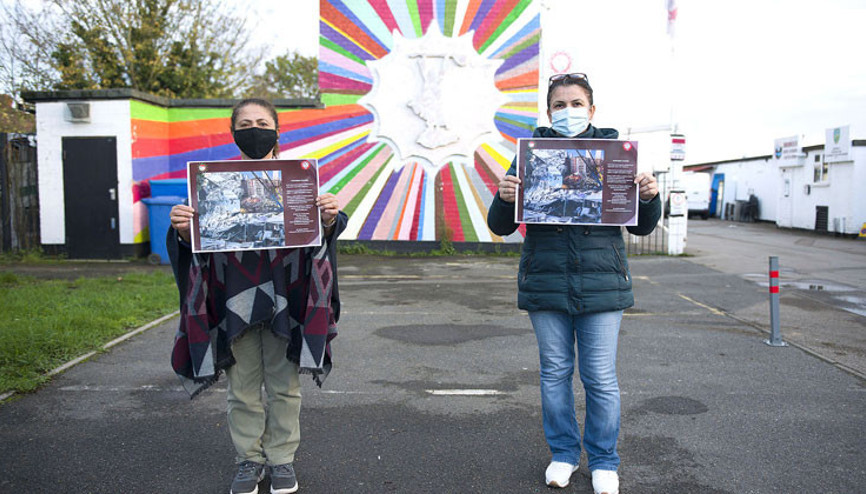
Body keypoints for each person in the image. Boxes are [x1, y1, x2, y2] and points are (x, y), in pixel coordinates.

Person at [487, 73, 661, 494]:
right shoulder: (530, 155)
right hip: (546, 281)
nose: (569, 112)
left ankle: (604, 461)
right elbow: (499, 224)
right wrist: (505, 196)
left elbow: (641, 227)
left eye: (576, 103)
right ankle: (563, 454)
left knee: (600, 377)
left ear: (592, 109)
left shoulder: (617, 154)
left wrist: (651, 196)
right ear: (549, 112)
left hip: (602, 284)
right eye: (560, 105)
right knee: (555, 374)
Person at [167, 98, 347, 494]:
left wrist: (330, 217)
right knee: (242, 389)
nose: (254, 128)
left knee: (285, 386)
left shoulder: (300, 179)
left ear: (277, 130)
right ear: (233, 133)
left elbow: (323, 232)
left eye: (262, 122)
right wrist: (183, 231)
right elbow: (197, 241)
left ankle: (282, 460)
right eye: (245, 123)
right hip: (233, 298)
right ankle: (249, 460)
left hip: (288, 297)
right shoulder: (212, 182)